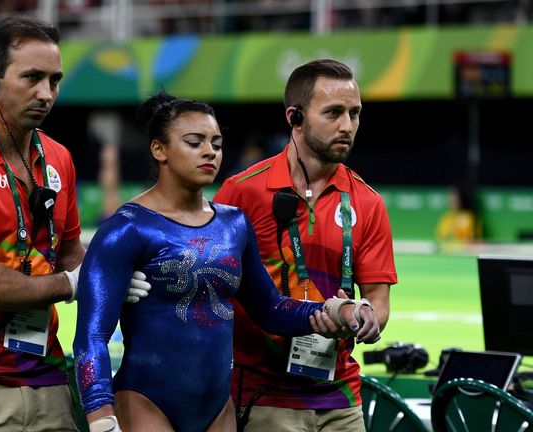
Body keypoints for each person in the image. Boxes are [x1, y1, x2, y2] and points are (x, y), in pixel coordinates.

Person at [73, 90, 380, 432]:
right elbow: (91, 337)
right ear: (159, 149)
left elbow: (271, 310)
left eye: (216, 144)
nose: (210, 151)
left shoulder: (234, 225)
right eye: (195, 142)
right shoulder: (126, 229)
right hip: (145, 402)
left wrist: (334, 310)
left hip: (218, 410)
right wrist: (100, 416)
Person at [0, 16, 148, 431]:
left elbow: (69, 253)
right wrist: (73, 284)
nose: (46, 93)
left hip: (46, 374)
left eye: (54, 80)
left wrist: (114, 272)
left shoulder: (58, 157)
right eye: (32, 77)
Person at [214, 59, 397, 431]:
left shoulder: (368, 202)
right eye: (333, 113)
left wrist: (364, 319)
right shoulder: (242, 192)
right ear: (295, 117)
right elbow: (210, 288)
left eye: (355, 113)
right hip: (262, 396)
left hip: (342, 399)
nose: (347, 125)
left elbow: (378, 302)